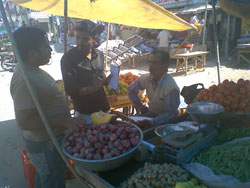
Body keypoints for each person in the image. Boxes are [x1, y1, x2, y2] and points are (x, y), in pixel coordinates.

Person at [10, 27, 85, 188]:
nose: (51, 49)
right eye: (45, 46)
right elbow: (25, 122)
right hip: (44, 144)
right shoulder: (24, 80)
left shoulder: (33, 70)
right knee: (52, 181)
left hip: (50, 141)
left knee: (47, 177)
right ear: (31, 52)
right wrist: (64, 122)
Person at [61, 20, 111, 123]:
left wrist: (106, 80)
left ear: (94, 39)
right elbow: (70, 90)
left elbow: (100, 77)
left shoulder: (99, 54)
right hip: (86, 113)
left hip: (104, 108)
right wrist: (91, 89)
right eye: (77, 37)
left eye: (85, 39)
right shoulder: (68, 59)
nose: (80, 42)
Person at [128, 49, 180, 128]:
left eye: (155, 63)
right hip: (151, 114)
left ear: (165, 65)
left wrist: (153, 122)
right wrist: (140, 107)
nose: (150, 65)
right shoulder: (147, 78)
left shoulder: (171, 88)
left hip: (166, 121)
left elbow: (171, 114)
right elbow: (130, 90)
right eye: (150, 62)